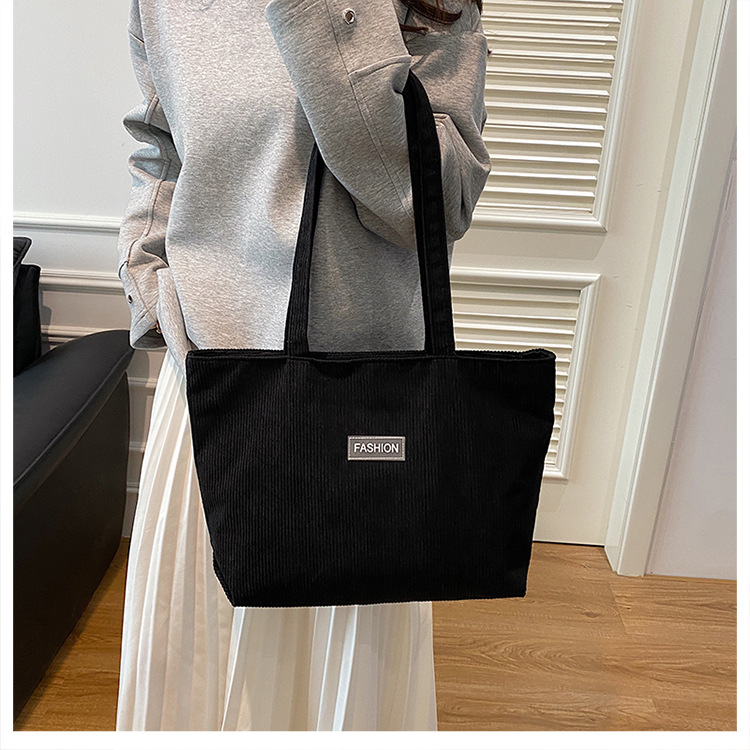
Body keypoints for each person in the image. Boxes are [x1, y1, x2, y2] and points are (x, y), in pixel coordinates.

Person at [115, 0, 491, 731]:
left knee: (333, 686)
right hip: (208, 384)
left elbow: (434, 205)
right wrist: (147, 279)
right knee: (195, 662)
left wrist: (318, 17)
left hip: (361, 410)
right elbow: (159, 148)